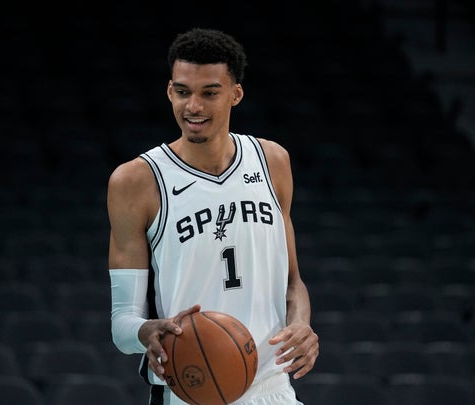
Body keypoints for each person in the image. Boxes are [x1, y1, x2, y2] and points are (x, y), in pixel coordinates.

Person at [107, 27, 319, 404]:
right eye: (183, 92)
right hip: (190, 391)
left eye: (209, 93)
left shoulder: (272, 162)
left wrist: (301, 324)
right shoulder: (136, 181)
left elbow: (293, 284)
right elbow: (122, 325)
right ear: (170, 91)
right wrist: (147, 332)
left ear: (235, 94)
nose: (193, 107)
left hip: (271, 389)